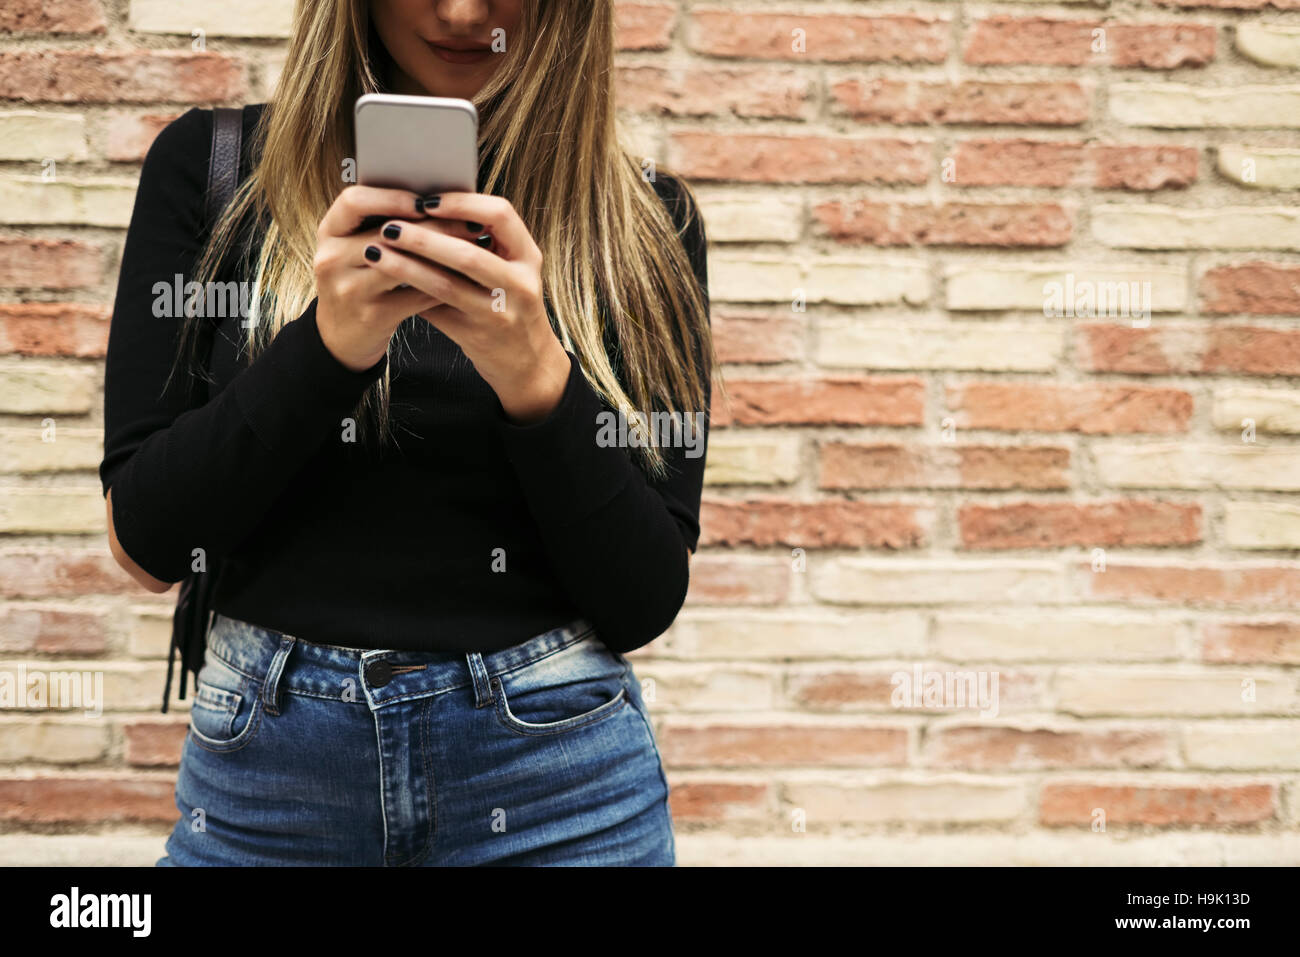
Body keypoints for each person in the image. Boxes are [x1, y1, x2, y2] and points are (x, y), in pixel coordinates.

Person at [99, 0, 714, 866]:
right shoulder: (215, 172)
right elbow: (144, 541)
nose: (464, 11)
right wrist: (326, 349)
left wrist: (537, 376)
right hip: (268, 789)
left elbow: (643, 597)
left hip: (561, 791)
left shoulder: (645, 224)